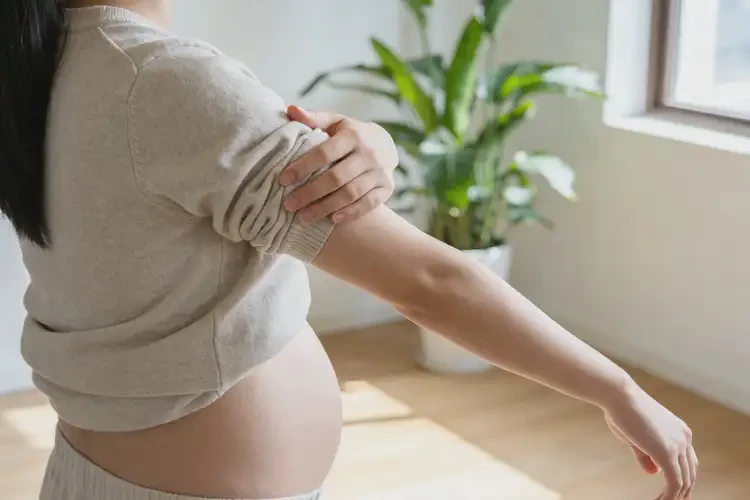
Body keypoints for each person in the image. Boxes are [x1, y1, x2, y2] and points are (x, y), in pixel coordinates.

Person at [0, 1, 698, 499]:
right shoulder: (159, 80)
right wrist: (619, 390)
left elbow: (261, 164)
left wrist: (376, 144)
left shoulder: (49, 64)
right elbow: (429, 283)